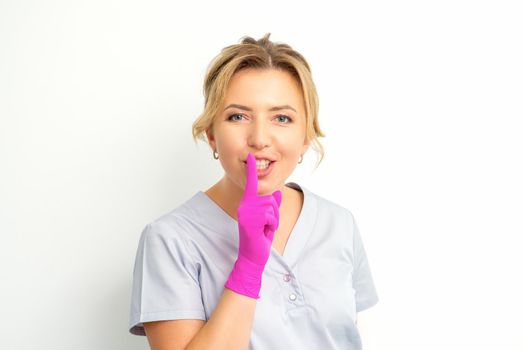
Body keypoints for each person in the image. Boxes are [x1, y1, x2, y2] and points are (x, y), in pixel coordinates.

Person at [128, 33, 379, 349]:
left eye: (282, 118)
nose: (260, 138)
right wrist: (248, 265)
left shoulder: (338, 223)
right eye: (238, 116)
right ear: (212, 135)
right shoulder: (170, 240)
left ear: (306, 136)